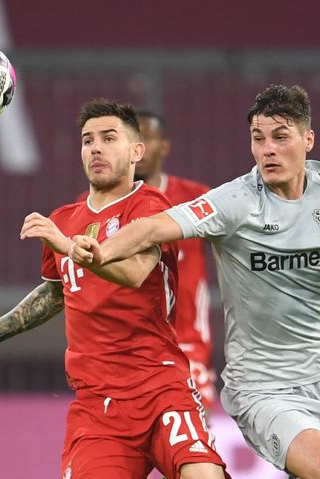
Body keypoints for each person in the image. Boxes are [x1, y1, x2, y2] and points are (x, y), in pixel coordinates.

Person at [69, 85, 320, 479]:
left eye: (280, 137)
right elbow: (152, 227)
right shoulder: (234, 202)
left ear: (308, 140)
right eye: (258, 139)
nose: (268, 149)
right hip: (264, 386)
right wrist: (101, 251)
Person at [0, 100, 229, 479]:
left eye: (109, 138)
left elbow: (134, 272)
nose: (95, 148)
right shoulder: (65, 218)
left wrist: (68, 247)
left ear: (137, 151)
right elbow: (54, 293)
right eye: (87, 140)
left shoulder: (150, 206)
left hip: (160, 387)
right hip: (98, 405)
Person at [77, 109, 216, 410]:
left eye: (146, 138)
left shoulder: (195, 198)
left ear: (161, 146)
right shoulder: (88, 209)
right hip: (121, 353)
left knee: (189, 442)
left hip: (185, 344)